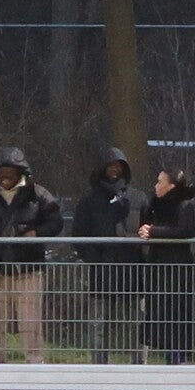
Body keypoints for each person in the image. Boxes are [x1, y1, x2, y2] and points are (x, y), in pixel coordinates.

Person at [0, 146, 63, 363]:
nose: (5, 179)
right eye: (2, 174)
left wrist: (37, 233)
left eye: (11, 175)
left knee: (30, 322)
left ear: (20, 174)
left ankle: (35, 362)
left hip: (28, 269)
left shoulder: (38, 195)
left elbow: (56, 221)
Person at [72, 147, 145, 364]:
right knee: (98, 324)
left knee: (137, 323)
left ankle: (138, 365)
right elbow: (79, 235)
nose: (114, 170)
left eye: (119, 166)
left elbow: (147, 231)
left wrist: (142, 259)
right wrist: (96, 260)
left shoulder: (138, 198)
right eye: (110, 166)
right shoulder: (89, 200)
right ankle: (98, 366)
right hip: (101, 272)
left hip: (133, 272)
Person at [139, 169, 195, 365]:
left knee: (177, 317)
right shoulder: (155, 206)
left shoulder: (185, 205)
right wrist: (145, 229)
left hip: (177, 271)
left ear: (171, 185)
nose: (155, 186)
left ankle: (178, 359)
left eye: (160, 182)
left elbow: (184, 230)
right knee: (161, 319)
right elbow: (145, 226)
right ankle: (168, 357)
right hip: (157, 270)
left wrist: (153, 231)